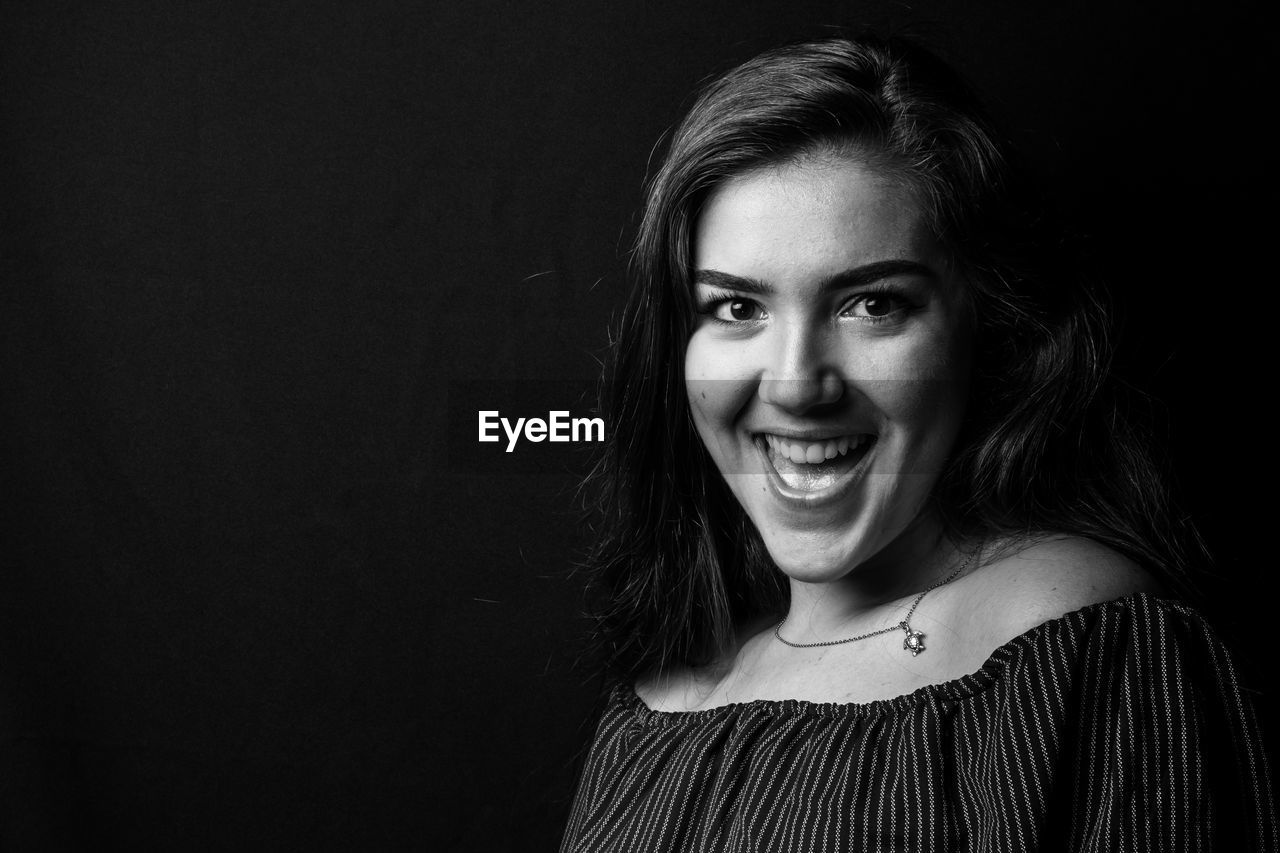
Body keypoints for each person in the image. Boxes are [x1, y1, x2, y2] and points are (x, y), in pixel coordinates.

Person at [561, 34, 1276, 852]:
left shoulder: (1082, 641)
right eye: (736, 308)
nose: (796, 384)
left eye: (873, 305)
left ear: (990, 324)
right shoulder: (656, 697)